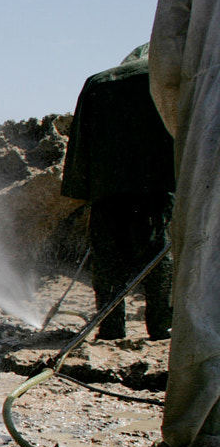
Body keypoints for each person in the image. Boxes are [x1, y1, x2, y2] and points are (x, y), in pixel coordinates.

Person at [148, 0, 220, 447]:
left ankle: (204, 438)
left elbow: (167, 64)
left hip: (215, 121)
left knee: (207, 277)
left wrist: (191, 137)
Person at [59, 45, 174, 340]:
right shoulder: (165, 76)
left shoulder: (99, 81)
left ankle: (111, 328)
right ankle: (161, 327)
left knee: (108, 260)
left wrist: (79, 188)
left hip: (107, 188)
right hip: (155, 184)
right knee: (157, 256)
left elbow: (80, 138)